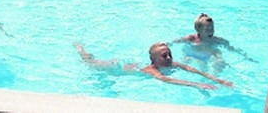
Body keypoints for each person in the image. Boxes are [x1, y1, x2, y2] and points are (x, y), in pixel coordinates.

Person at [73, 42, 232, 90]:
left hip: (128, 65)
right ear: (153, 60)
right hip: (116, 69)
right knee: (90, 63)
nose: (169, 58)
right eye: (164, 56)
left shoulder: (171, 63)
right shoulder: (152, 70)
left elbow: (190, 68)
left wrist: (216, 79)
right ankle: (81, 50)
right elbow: (166, 80)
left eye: (170, 54)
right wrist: (198, 85)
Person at [171, 13, 255, 65]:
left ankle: (215, 79)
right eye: (207, 30)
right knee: (186, 60)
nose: (210, 32)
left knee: (220, 61)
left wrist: (245, 56)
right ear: (198, 30)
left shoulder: (216, 40)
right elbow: (174, 42)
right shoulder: (191, 39)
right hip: (193, 55)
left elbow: (231, 47)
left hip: (208, 55)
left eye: (212, 29)